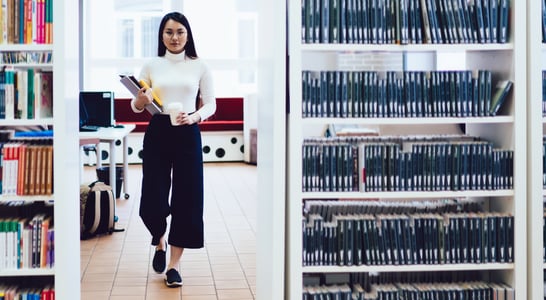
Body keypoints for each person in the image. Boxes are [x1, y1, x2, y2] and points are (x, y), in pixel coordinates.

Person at [131, 11, 215, 287]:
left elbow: (211, 104)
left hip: (187, 131)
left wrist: (194, 117)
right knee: (153, 196)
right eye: (169, 32)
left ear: (187, 34)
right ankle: (159, 238)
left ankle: (174, 265)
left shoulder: (199, 65)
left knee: (187, 198)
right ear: (162, 35)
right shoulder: (152, 65)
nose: (175, 37)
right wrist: (141, 100)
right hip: (158, 131)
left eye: (180, 32)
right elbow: (137, 105)